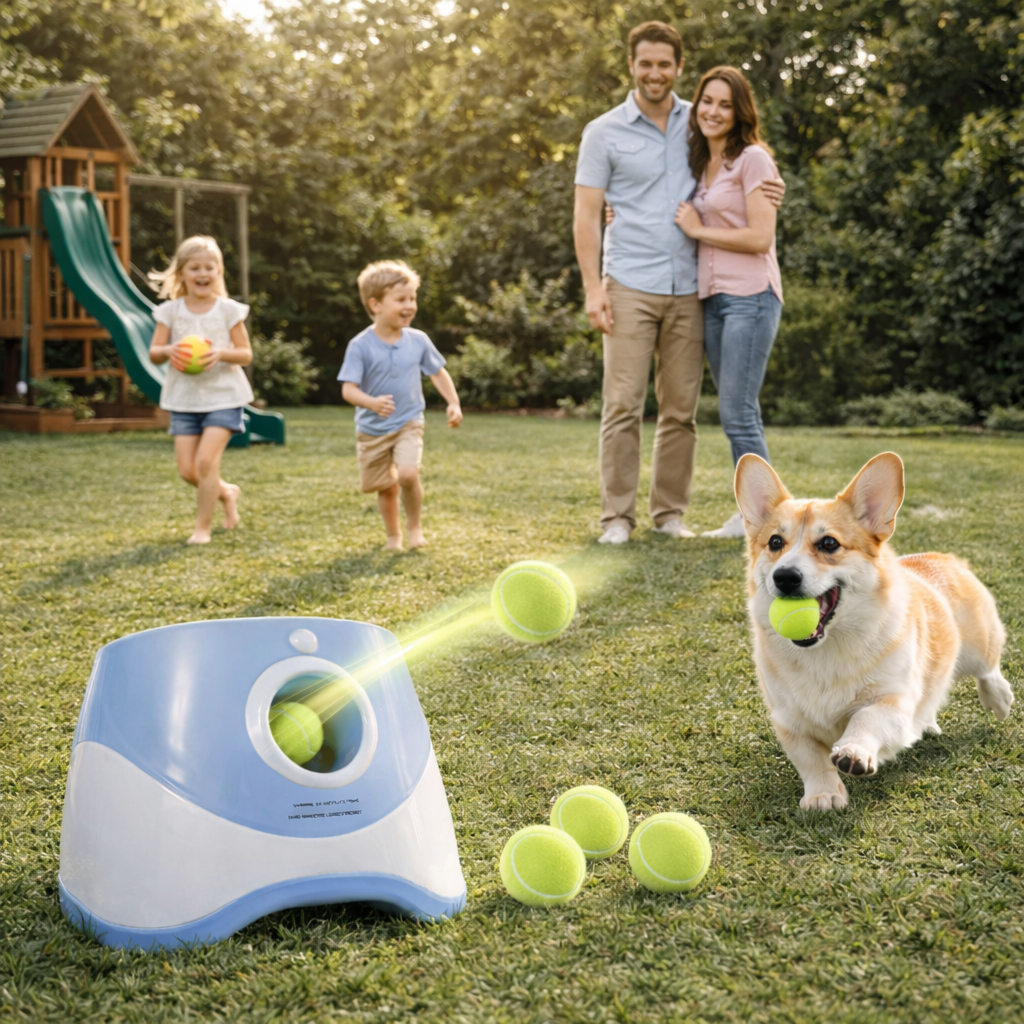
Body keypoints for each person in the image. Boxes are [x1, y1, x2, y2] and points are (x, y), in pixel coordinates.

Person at [574, 21, 784, 546]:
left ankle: (669, 514)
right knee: (622, 405)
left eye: (664, 64)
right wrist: (593, 289)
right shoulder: (604, 132)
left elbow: (743, 163)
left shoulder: (700, 122)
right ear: (631, 66)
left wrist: (772, 179)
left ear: (678, 69)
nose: (654, 73)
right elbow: (585, 213)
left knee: (680, 411)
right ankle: (617, 519)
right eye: (645, 63)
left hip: (691, 288)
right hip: (629, 282)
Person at [674, 66, 784, 539]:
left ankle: (761, 519)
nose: (713, 111)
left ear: (740, 112)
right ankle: (759, 515)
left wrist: (698, 230)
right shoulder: (700, 163)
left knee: (739, 411)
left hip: (750, 297)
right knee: (735, 409)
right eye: (707, 101)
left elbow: (761, 237)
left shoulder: (753, 160)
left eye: (725, 104)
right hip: (713, 300)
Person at [338, 260, 463, 551]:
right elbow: (348, 390)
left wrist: (453, 402)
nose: (409, 305)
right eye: (401, 299)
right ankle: (393, 536)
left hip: (408, 420)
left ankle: (414, 527)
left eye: (412, 298)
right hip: (372, 429)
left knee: (407, 474)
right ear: (376, 304)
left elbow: (437, 373)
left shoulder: (418, 340)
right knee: (386, 486)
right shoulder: (360, 346)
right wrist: (371, 403)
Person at [148, 235, 252, 545]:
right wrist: (170, 350)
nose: (203, 273)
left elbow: (245, 354)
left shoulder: (228, 310)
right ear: (181, 273)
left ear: (219, 273)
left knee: (206, 462)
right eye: (195, 267)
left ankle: (202, 529)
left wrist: (220, 353)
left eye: (210, 267)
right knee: (187, 470)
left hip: (224, 396)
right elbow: (154, 352)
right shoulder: (171, 311)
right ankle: (226, 492)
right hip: (184, 399)